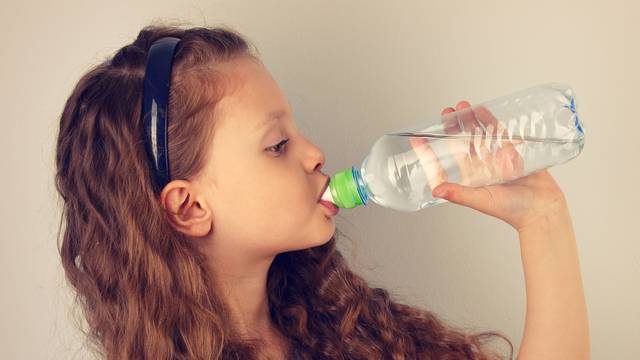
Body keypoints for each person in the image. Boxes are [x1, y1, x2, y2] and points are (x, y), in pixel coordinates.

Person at [54, 23, 588, 359]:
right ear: (190, 206)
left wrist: (541, 218)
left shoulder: (345, 328)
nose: (314, 153)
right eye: (278, 144)